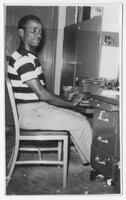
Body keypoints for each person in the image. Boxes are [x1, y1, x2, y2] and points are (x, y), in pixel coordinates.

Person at [8, 15, 93, 165]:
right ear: (21, 33)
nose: (38, 34)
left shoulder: (27, 56)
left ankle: (88, 158)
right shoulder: (23, 59)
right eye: (33, 30)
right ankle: (98, 167)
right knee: (82, 124)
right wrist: (71, 103)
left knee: (80, 118)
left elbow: (41, 95)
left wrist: (67, 100)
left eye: (40, 31)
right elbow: (42, 94)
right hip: (31, 115)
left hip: (37, 109)